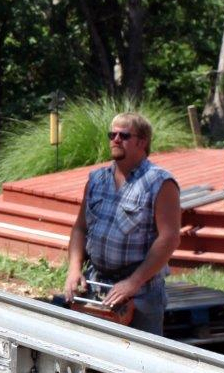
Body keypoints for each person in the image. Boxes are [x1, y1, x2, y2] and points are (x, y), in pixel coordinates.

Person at [64, 112, 181, 335]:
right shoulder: (97, 179)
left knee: (139, 362)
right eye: (112, 134)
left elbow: (169, 238)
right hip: (96, 286)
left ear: (142, 142)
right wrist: (74, 269)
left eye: (124, 135)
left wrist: (133, 283)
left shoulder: (160, 182)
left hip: (142, 293)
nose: (115, 139)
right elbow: (80, 227)